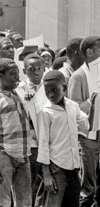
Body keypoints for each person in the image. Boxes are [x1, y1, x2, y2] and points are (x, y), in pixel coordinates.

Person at [36, 70, 96, 207]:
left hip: (73, 167)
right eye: (47, 91)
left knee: (72, 202)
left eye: (55, 90)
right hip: (56, 168)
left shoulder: (72, 106)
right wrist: (46, 175)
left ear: (64, 87)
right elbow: (43, 144)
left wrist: (92, 107)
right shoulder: (45, 112)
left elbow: (86, 126)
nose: (51, 94)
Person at [68, 36, 100, 207]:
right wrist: (92, 100)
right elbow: (73, 108)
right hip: (88, 137)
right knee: (88, 186)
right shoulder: (78, 76)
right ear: (89, 52)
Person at [0, 58, 32, 207]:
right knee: (3, 200)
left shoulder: (17, 94)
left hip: (23, 154)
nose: (18, 77)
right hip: (4, 155)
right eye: (13, 74)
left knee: (25, 201)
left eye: (18, 73)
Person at [16, 53, 45, 204]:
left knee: (46, 183)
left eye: (39, 68)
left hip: (48, 142)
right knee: (30, 183)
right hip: (32, 144)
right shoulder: (20, 90)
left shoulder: (48, 86)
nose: (36, 72)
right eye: (31, 69)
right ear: (24, 71)